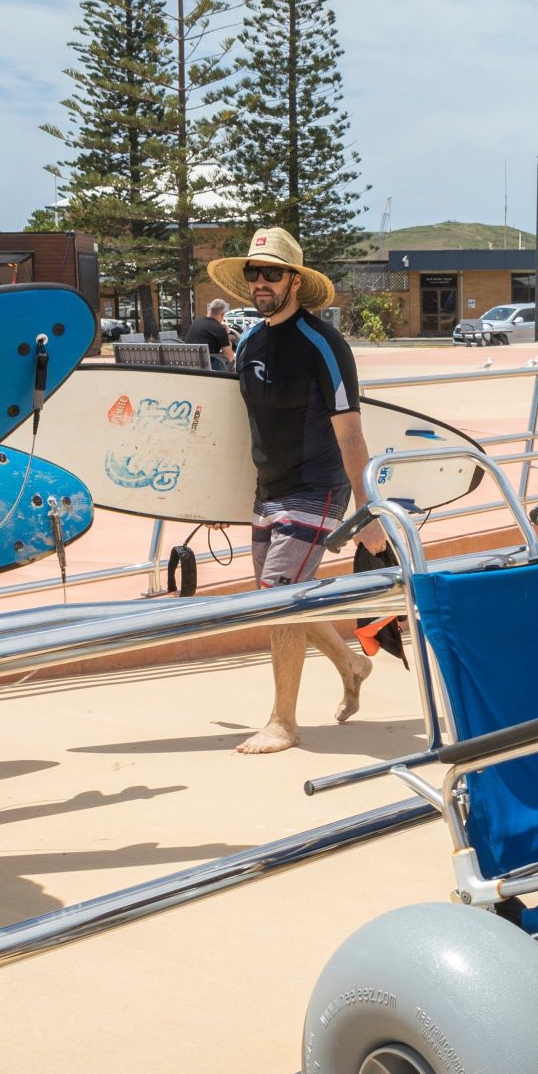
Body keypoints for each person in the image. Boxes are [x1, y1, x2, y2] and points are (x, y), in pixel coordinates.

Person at [210, 226, 380, 755]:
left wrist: (366, 509)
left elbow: (350, 428)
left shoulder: (322, 344)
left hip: (317, 488)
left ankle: (284, 722)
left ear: (294, 280)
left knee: (280, 598)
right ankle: (352, 663)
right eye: (254, 272)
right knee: (284, 601)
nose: (260, 281)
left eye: (272, 273)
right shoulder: (251, 344)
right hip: (270, 489)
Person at [183, 297, 235, 370]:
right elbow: (230, 357)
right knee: (233, 364)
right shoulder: (219, 328)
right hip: (209, 369)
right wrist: (227, 333)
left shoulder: (195, 323)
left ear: (209, 310)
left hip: (190, 366)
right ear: (222, 314)